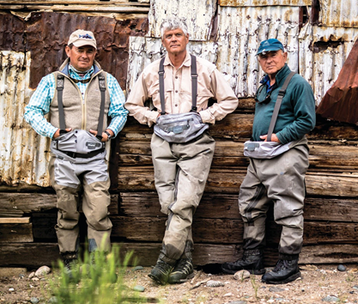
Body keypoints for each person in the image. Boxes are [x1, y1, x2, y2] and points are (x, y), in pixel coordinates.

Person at [125, 17, 238, 285]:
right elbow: (132, 104)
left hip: (196, 142)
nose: (173, 39)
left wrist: (205, 116)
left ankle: (165, 260)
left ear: (187, 38)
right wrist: (152, 117)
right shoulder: (151, 71)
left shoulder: (205, 69)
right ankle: (185, 261)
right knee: (169, 205)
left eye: (178, 35)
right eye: (168, 36)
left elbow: (229, 100)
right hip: (162, 142)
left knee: (185, 201)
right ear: (163, 42)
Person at [24, 29, 128, 268]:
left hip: (96, 160)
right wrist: (53, 132)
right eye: (80, 49)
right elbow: (32, 111)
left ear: (94, 53)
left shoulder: (107, 81)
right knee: (67, 212)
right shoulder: (51, 81)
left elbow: (121, 112)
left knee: (99, 213)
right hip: (64, 160)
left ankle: (99, 264)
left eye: (89, 50)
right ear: (68, 50)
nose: (85, 55)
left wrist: (108, 132)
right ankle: (69, 260)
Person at [221, 39, 316, 284]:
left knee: (288, 207)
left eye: (273, 54)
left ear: (284, 55)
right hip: (260, 155)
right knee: (249, 203)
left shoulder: (297, 83)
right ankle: (253, 258)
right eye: (263, 56)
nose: (268, 60)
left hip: (286, 153)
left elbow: (307, 122)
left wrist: (278, 136)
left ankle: (289, 264)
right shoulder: (266, 85)